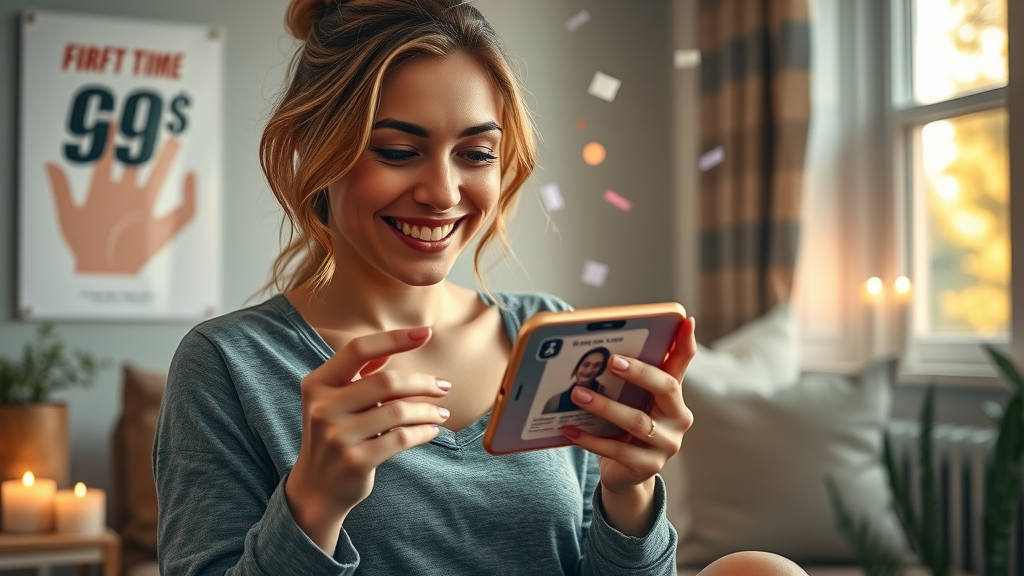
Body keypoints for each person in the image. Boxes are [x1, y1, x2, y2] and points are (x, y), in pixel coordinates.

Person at [153, 1, 810, 575]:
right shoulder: (228, 365)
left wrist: (630, 490)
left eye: (475, 153)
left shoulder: (548, 336)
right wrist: (314, 505)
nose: (443, 193)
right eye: (397, 150)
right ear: (308, 148)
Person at [543, 347, 611, 414]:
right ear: (577, 366)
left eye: (596, 365)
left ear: (601, 369)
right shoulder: (555, 402)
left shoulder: (608, 394)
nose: (589, 370)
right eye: (586, 365)